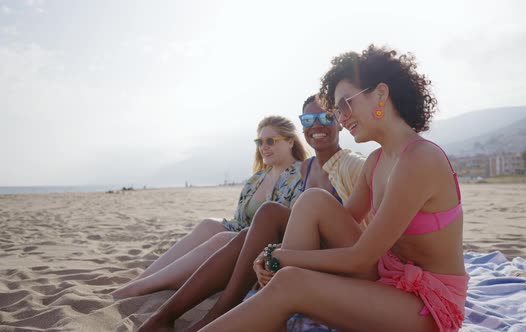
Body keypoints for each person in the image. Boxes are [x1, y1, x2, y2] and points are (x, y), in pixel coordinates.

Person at [199, 45, 469, 332]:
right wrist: (275, 254)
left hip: (427, 304)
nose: (340, 117)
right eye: (337, 109)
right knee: (313, 200)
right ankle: (275, 301)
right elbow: (340, 223)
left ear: (380, 94)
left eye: (345, 105)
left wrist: (282, 257)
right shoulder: (377, 161)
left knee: (292, 281)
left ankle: (278, 294)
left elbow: (360, 257)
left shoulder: (419, 159)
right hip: (388, 274)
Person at [136, 95, 367, 331]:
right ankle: (165, 316)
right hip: (307, 244)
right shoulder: (307, 167)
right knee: (243, 236)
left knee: (267, 214)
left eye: (325, 116)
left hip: (332, 257)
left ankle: (218, 313)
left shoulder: (352, 165)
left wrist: (278, 254)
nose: (316, 124)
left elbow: (356, 232)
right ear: (302, 125)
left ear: (339, 120)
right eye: (308, 118)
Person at [111, 115, 306, 299]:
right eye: (259, 142)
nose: (264, 147)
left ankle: (143, 287)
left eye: (271, 141)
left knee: (222, 239)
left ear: (290, 142)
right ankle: (141, 280)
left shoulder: (302, 174)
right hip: (241, 238)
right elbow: (238, 222)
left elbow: (294, 228)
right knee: (208, 225)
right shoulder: (257, 178)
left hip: (265, 250)